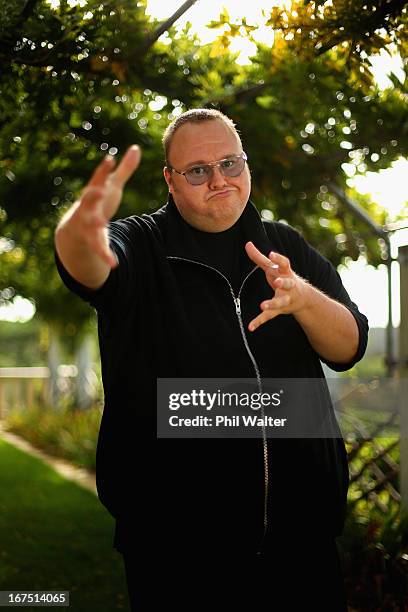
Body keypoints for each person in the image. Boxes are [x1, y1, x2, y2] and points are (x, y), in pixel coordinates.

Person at [54, 108, 368, 611]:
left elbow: (350, 347)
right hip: (178, 557)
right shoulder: (141, 244)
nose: (219, 179)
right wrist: (77, 233)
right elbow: (91, 268)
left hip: (303, 547)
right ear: (170, 181)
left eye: (231, 163)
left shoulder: (283, 245)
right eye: (198, 170)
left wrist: (302, 298)